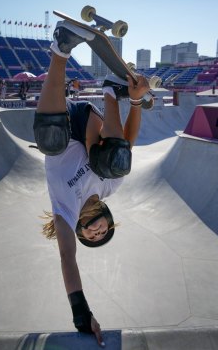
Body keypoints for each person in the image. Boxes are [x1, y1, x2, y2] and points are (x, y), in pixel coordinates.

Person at [33, 21, 150, 347]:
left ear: (81, 231)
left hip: (59, 123)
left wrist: (81, 313)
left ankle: (60, 49)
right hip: (90, 122)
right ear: (109, 221)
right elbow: (129, 141)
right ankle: (112, 91)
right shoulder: (111, 188)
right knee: (116, 163)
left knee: (50, 140)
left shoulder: (65, 211)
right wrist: (136, 103)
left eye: (93, 236)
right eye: (104, 232)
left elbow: (68, 258)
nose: (98, 232)